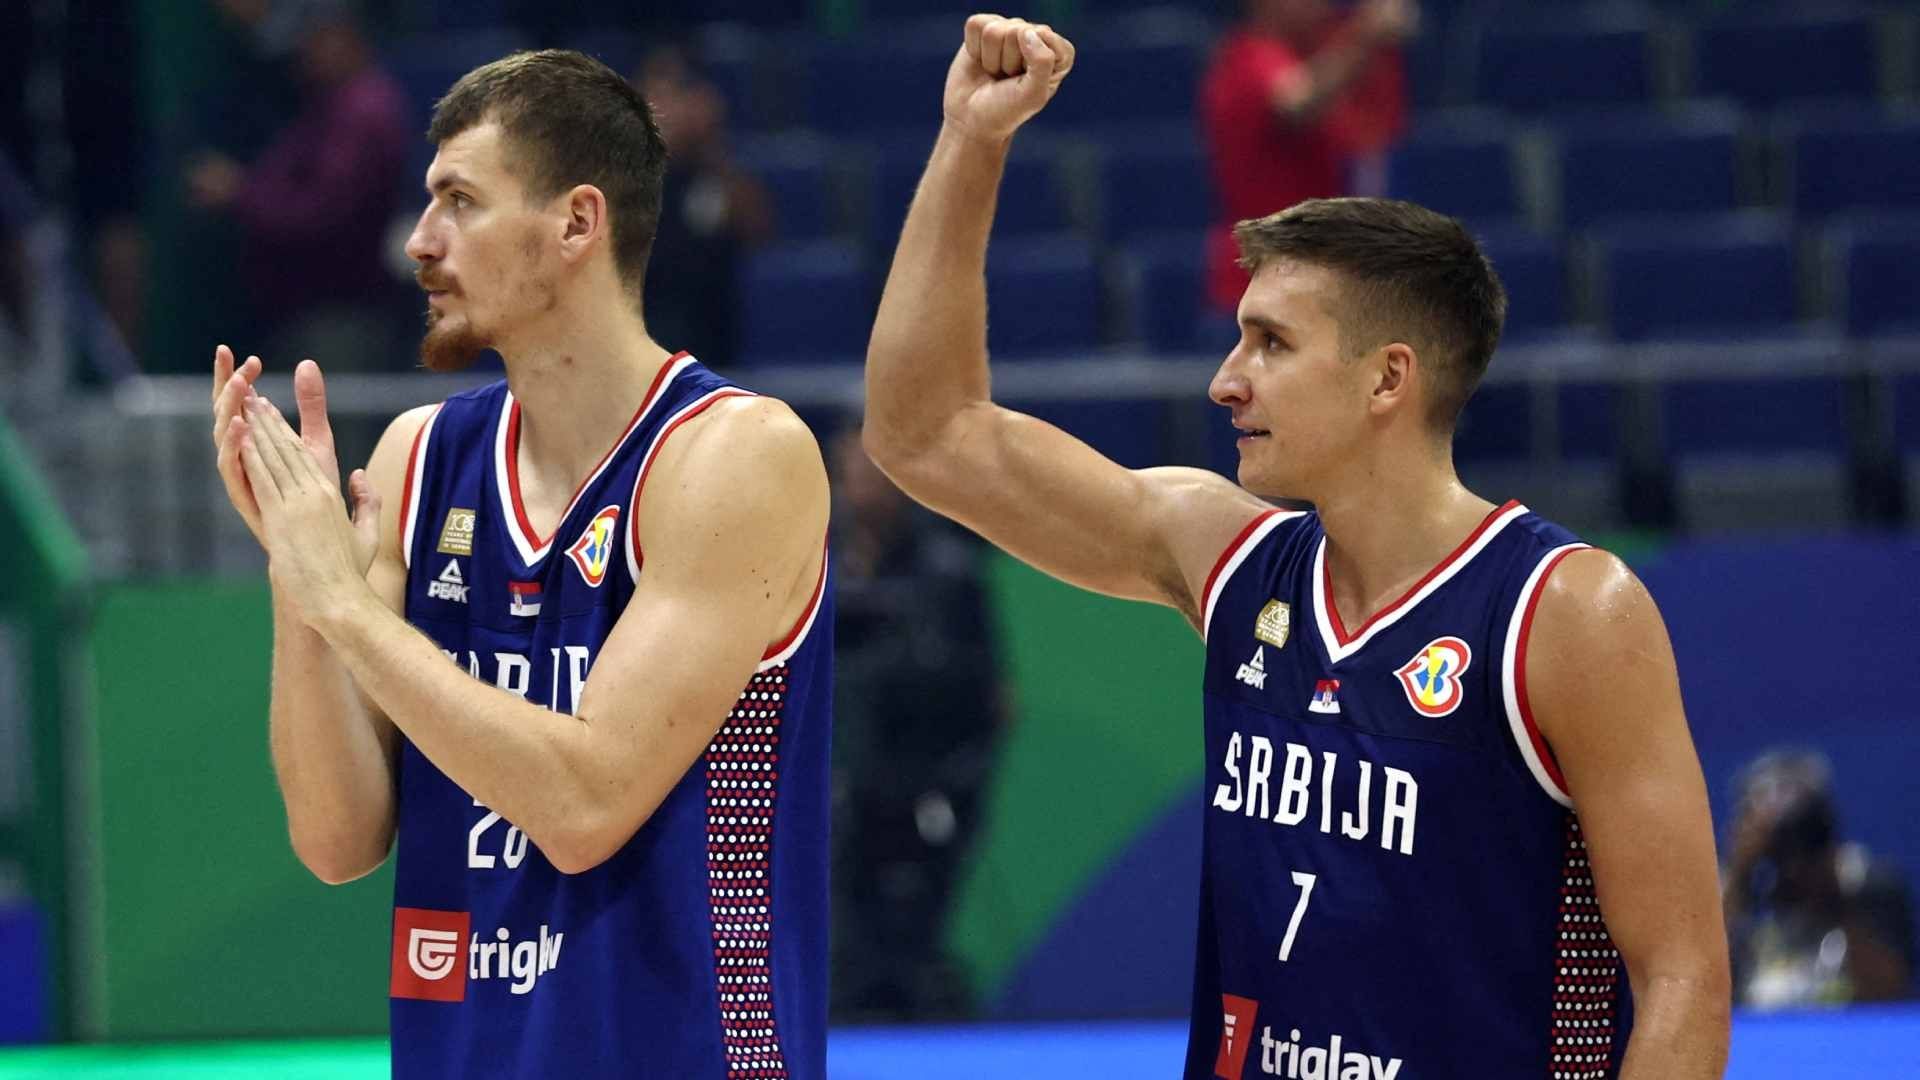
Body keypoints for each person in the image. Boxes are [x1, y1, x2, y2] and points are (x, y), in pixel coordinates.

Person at [864, 15, 1729, 1078]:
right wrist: (970, 142)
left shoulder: (1566, 613)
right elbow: (925, 434)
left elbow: (1685, 980)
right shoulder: (1227, 559)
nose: (1226, 380)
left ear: (1387, 379)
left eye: (1270, 344)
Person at [208, 49, 832, 1078]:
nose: (420, 241)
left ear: (578, 224)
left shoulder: (732, 457)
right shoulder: (422, 458)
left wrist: (349, 611)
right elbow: (336, 840)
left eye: (460, 202)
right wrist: (298, 572)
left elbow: (585, 807)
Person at [827, 425, 1004, 1020]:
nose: (866, 480)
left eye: (880, 466)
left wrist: (957, 785)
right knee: (845, 938)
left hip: (929, 781)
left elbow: (993, 696)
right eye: (854, 464)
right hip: (843, 785)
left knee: (912, 934)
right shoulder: (813, 562)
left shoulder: (948, 570)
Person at [187, 3, 408, 370]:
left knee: (332, 424)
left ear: (345, 36)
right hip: (301, 314)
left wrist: (239, 193)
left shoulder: (363, 111)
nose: (305, 52)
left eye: (317, 39)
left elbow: (326, 211)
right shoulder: (326, 105)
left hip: (340, 317)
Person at [1201, 0, 1414, 313]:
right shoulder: (1248, 56)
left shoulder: (1317, 62)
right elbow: (1297, 103)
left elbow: (1377, 132)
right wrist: (1366, 36)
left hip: (1317, 276)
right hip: (1260, 279)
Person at [1723, 750, 1914, 1007]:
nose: (1790, 861)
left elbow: (1893, 996)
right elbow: (1698, 983)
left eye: (1801, 836)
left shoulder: (1868, 883)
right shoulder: (1730, 895)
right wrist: (1740, 879)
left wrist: (1835, 902)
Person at [637, 44, 774, 371]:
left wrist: (711, 145)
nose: (664, 109)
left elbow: (758, 229)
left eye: (674, 94)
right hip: (641, 339)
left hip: (713, 347)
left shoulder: (716, 171)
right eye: (653, 94)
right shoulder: (620, 179)